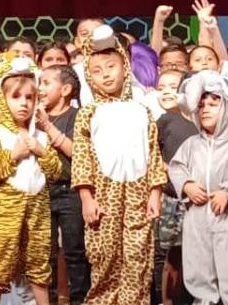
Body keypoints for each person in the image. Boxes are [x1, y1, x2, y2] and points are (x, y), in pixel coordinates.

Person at [72, 25, 167, 305]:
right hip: (104, 195)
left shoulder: (142, 110)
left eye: (111, 66)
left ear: (125, 67)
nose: (106, 75)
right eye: (98, 71)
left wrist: (155, 192)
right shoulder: (89, 113)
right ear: (89, 76)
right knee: (105, 258)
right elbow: (82, 157)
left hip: (138, 194)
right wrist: (87, 198)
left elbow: (153, 154)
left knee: (138, 258)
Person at [0, 56, 63, 304]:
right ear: (3, 100)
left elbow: (56, 171)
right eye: (16, 97)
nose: (23, 103)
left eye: (29, 97)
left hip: (37, 214)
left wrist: (41, 151)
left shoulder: (41, 137)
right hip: (3, 217)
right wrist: (14, 154)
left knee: (38, 267)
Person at [169, 70, 228, 305]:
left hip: (226, 217)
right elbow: (176, 168)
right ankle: (204, 300)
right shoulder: (191, 145)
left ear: (227, 108)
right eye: (201, 105)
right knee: (198, 265)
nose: (206, 108)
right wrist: (187, 185)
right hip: (196, 219)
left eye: (213, 103)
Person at [35, 63, 89, 305]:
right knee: (45, 255)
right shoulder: (32, 116)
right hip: (41, 190)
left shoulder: (78, 116)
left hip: (70, 191)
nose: (40, 89)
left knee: (75, 252)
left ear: (66, 89)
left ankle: (80, 300)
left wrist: (47, 125)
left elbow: (78, 152)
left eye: (46, 83)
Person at [154, 68, 198, 305]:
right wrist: (171, 169)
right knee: (172, 254)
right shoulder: (165, 121)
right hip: (172, 199)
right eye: (161, 88)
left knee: (196, 254)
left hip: (200, 199)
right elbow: (151, 153)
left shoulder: (203, 120)